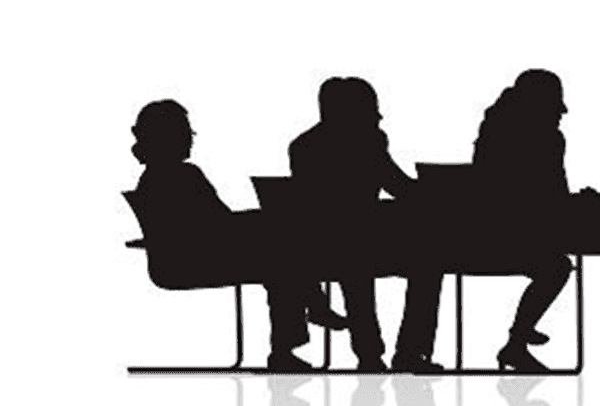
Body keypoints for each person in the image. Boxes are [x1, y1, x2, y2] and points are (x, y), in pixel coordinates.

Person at [128, 100, 345, 370]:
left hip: (195, 255)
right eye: (185, 133)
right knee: (285, 252)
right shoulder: (182, 175)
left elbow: (213, 223)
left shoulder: (153, 178)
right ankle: (303, 323)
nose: (190, 140)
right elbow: (216, 224)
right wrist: (265, 220)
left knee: (283, 256)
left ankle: (297, 333)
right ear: (169, 137)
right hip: (200, 259)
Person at [289, 77, 443, 372]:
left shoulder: (303, 145)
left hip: (324, 241)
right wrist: (434, 192)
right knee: (424, 265)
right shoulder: (369, 140)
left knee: (358, 261)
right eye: (372, 108)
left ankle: (370, 354)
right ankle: (409, 353)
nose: (379, 115)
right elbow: (397, 186)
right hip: (352, 238)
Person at [469, 69, 575, 372]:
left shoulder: (492, 130)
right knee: (557, 267)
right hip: (515, 239)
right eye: (556, 109)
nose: (560, 116)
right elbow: (556, 193)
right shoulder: (549, 139)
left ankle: (518, 338)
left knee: (553, 263)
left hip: (480, 237)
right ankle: (517, 340)